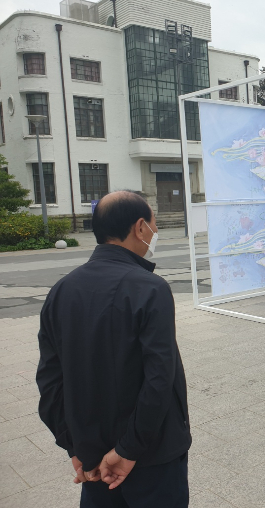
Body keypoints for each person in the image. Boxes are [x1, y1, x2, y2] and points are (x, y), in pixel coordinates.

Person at [36, 191, 191, 507]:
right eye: (154, 224)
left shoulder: (61, 291)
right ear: (140, 228)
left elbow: (49, 383)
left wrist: (75, 448)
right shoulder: (151, 289)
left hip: (93, 461)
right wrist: (127, 450)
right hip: (152, 457)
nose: (156, 232)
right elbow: (159, 379)